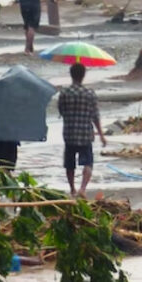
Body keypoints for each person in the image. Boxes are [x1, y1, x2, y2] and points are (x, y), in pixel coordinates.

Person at [58, 63, 106, 198]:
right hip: (85, 134)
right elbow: (95, 116)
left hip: (69, 133)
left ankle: (72, 189)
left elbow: (61, 111)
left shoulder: (64, 93)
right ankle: (83, 189)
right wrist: (101, 135)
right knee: (88, 163)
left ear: (71, 75)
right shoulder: (90, 94)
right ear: (83, 75)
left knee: (69, 164)